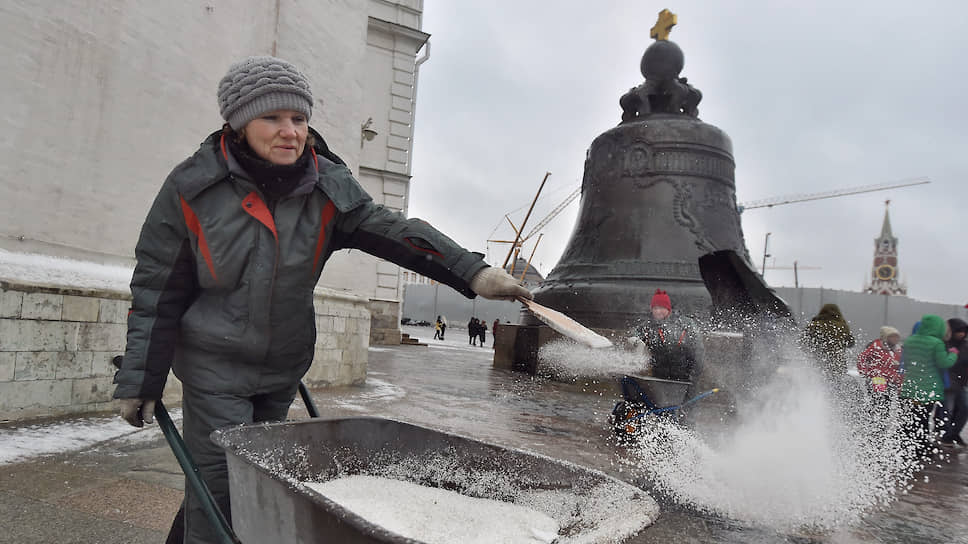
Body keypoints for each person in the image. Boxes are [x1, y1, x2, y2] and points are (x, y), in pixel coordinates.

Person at [110, 56, 532, 544]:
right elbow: (157, 289)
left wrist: (472, 271)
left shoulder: (327, 186)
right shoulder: (193, 189)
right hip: (214, 367)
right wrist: (140, 379)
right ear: (238, 123)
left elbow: (395, 232)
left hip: (281, 367)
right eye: (272, 118)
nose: (289, 131)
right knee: (223, 485)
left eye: (299, 118)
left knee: (245, 482)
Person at [899, 314, 958, 455]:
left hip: (910, 386)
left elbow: (905, 364)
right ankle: (921, 448)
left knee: (911, 418)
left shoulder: (909, 341)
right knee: (924, 418)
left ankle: (907, 446)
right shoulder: (936, 343)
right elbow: (944, 363)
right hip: (928, 389)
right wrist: (953, 354)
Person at [632, 289, 705, 400]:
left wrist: (693, 376)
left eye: (662, 308)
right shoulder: (648, 327)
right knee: (663, 409)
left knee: (685, 410)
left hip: (685, 379)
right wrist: (635, 340)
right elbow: (634, 333)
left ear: (668, 309)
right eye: (655, 308)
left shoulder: (685, 325)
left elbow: (698, 351)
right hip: (660, 378)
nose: (658, 312)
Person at [800, 303, 856, 380]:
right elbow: (850, 343)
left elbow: (802, 343)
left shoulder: (813, 325)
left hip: (816, 363)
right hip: (837, 365)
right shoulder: (842, 326)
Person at [941, 318, 968, 446]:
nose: (962, 334)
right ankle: (947, 436)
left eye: (964, 331)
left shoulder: (965, 345)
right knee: (947, 411)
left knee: (964, 409)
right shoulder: (944, 344)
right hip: (948, 384)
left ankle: (953, 434)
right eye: (959, 331)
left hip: (962, 383)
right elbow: (945, 363)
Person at [856, 325, 903, 396]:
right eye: (892, 336)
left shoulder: (898, 350)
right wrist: (864, 372)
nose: (895, 339)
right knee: (878, 399)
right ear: (885, 337)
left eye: (897, 336)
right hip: (877, 379)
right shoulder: (875, 347)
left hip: (892, 380)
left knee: (888, 402)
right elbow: (861, 358)